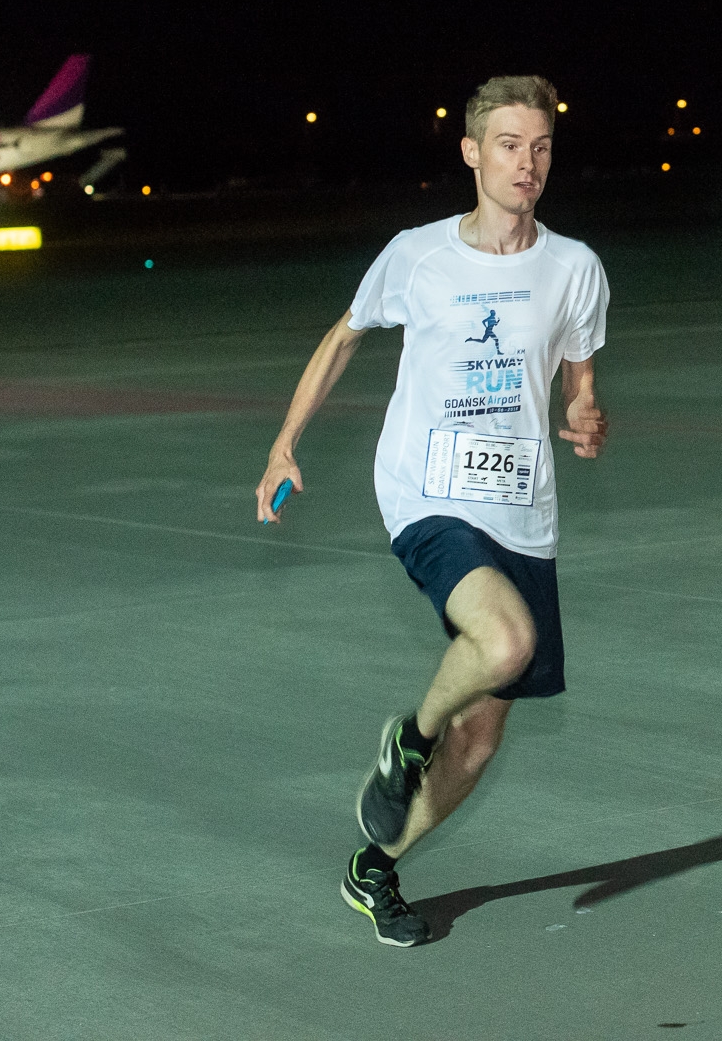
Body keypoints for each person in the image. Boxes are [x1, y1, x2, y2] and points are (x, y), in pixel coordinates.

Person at [254, 75, 610, 948]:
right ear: (471, 152)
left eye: (541, 146)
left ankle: (373, 866)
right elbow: (344, 336)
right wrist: (284, 442)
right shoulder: (418, 255)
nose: (527, 164)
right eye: (509, 145)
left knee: (480, 738)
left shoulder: (574, 266)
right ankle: (408, 740)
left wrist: (584, 411)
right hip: (427, 491)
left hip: (521, 504)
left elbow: (579, 371)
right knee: (507, 640)